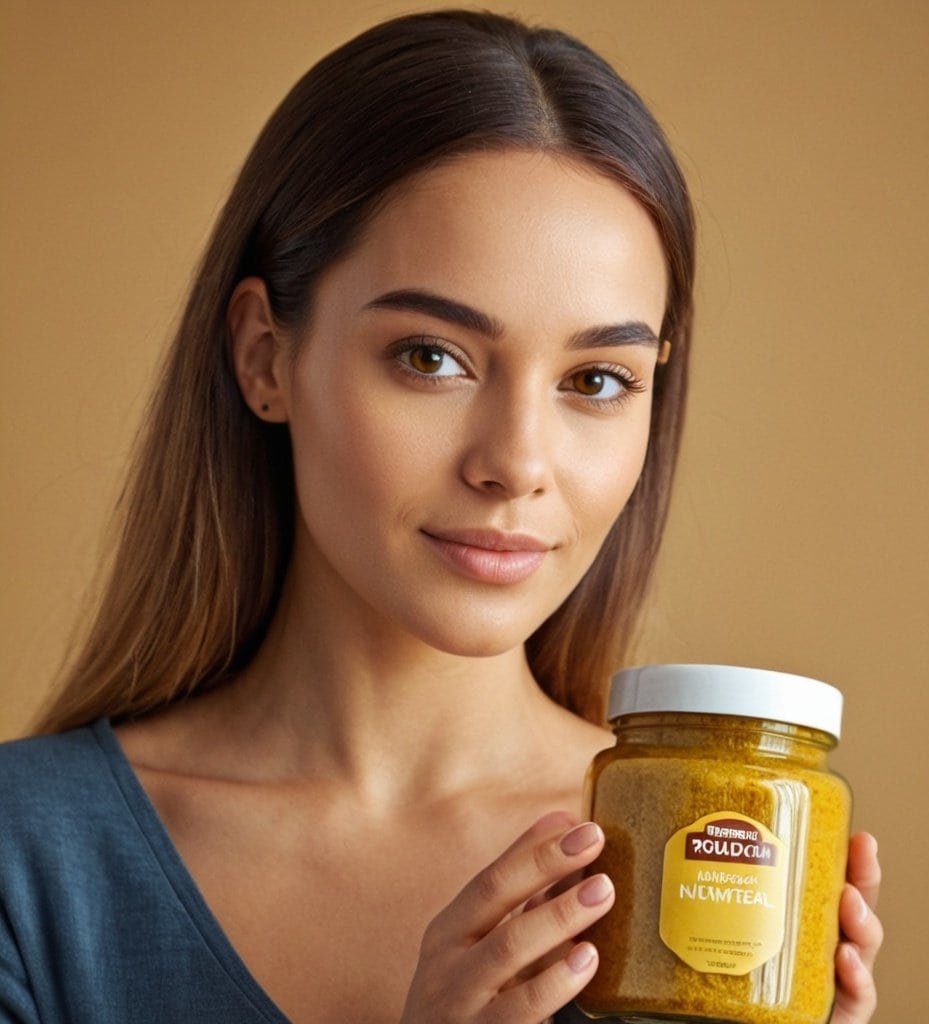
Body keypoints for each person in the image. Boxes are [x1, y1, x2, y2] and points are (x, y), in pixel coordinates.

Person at [0, 10, 882, 1024]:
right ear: (263, 356)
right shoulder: (27, 860)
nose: (515, 463)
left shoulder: (706, 864)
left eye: (595, 378)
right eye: (432, 357)